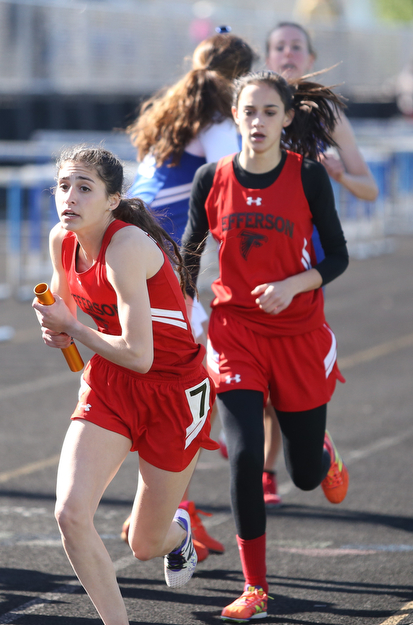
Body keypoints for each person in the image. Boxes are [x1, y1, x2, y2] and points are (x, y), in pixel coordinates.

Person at [181, 70, 350, 622]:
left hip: (298, 332)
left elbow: (337, 258)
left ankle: (323, 453)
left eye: (269, 112)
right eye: (249, 111)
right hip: (236, 333)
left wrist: (290, 286)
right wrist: (181, 307)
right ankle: (255, 587)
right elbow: (188, 252)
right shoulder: (212, 178)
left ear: (287, 118)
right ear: (235, 116)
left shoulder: (307, 178)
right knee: (247, 453)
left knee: (302, 473)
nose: (258, 122)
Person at [32, 146, 218, 625]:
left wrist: (70, 329)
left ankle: (178, 535)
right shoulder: (62, 239)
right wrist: (56, 325)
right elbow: (69, 308)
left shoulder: (128, 246)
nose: (69, 197)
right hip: (113, 383)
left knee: (143, 545)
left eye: (84, 188)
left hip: (174, 391)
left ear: (113, 199)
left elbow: (142, 354)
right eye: (63, 186)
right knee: (70, 515)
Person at [121, 31, 258, 559]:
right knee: (188, 393)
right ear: (240, 79)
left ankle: (176, 508)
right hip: (162, 268)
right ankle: (175, 513)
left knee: (152, 389)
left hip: (126, 253)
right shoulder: (219, 122)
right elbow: (239, 194)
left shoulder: (167, 111)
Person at [261, 21, 379, 496]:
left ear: (309, 59)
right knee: (251, 367)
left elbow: (369, 188)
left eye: (296, 47)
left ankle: (310, 447)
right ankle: (268, 468)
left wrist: (337, 172)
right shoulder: (252, 108)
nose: (288, 53)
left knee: (283, 369)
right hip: (249, 254)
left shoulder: (326, 114)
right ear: (267, 56)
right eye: (279, 46)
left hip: (302, 260)